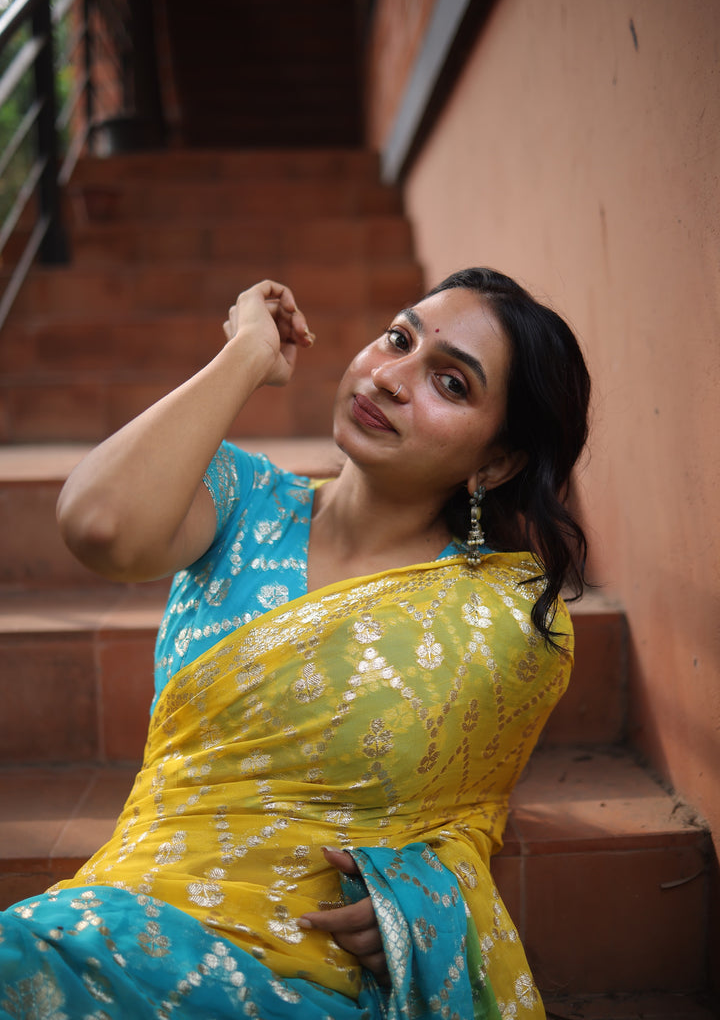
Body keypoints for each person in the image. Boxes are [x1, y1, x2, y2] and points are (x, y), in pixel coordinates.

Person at [0, 269, 590, 1019]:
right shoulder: (240, 499)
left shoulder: (506, 615)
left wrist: (413, 910)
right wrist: (245, 355)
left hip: (309, 972)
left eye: (450, 383)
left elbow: (469, 817)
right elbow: (98, 525)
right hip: (125, 919)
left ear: (496, 463)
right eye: (398, 340)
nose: (391, 378)